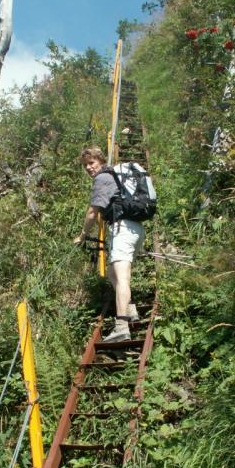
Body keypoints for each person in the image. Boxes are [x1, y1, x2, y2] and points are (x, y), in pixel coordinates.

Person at [74, 146, 145, 342]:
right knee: (113, 274)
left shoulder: (102, 178)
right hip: (135, 229)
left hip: (122, 229)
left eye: (91, 163)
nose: (89, 168)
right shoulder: (116, 175)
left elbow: (92, 212)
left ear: (101, 161)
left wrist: (82, 236)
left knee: (121, 278)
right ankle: (130, 310)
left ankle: (121, 327)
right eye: (85, 165)